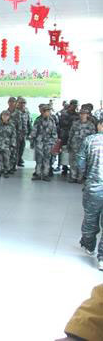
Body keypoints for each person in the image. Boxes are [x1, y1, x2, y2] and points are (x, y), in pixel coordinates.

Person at [76, 118, 103, 269]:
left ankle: (89, 246)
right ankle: (102, 258)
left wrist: (86, 176)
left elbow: (80, 161)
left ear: (100, 125)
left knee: (90, 218)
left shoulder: (90, 140)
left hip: (93, 187)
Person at [30, 104, 58, 181]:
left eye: (49, 111)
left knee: (47, 159)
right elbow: (34, 132)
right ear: (43, 112)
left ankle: (45, 174)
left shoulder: (52, 120)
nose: (48, 113)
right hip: (39, 142)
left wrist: (54, 143)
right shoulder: (38, 120)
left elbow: (54, 133)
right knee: (39, 159)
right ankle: (38, 174)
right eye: (47, 111)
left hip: (49, 143)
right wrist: (32, 142)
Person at [68, 108, 97, 183]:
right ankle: (73, 176)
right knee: (73, 162)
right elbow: (71, 134)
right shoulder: (75, 124)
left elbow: (93, 137)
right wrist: (69, 144)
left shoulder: (91, 125)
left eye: (84, 114)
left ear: (87, 115)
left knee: (82, 162)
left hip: (85, 147)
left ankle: (80, 177)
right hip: (74, 145)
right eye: (81, 114)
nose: (82, 115)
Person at [0, 111, 17, 178]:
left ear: (9, 117)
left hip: (7, 145)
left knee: (6, 159)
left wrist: (13, 144)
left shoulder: (11, 125)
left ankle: (6, 171)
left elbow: (13, 136)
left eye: (6, 115)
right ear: (1, 116)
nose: (5, 117)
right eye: (3, 115)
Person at [59, 99, 80, 175]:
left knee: (73, 152)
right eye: (74, 105)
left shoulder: (77, 114)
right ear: (70, 105)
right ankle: (64, 167)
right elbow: (62, 123)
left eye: (76, 105)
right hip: (65, 135)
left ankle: (72, 168)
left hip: (74, 136)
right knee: (64, 152)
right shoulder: (64, 113)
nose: (75, 107)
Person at [7, 97, 22, 173]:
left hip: (15, 135)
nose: (11, 103)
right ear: (8, 103)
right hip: (6, 136)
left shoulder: (18, 113)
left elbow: (20, 125)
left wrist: (19, 135)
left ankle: (13, 166)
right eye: (10, 101)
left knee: (14, 151)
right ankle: (7, 166)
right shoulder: (5, 112)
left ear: (15, 103)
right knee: (7, 151)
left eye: (13, 102)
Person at [16, 98, 32, 167]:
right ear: (18, 103)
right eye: (21, 103)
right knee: (15, 148)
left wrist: (30, 132)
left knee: (22, 147)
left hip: (24, 133)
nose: (22, 104)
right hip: (16, 134)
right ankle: (14, 161)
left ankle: (19, 159)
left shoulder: (26, 112)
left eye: (24, 103)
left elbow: (29, 122)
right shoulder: (15, 112)